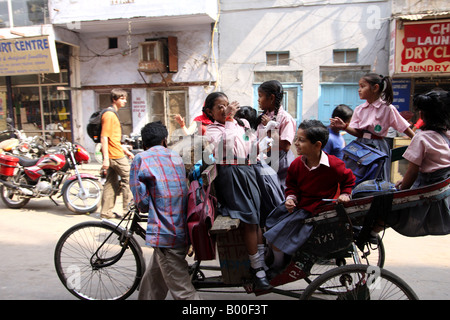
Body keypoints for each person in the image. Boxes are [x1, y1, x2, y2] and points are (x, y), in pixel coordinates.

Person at [204, 92, 275, 291]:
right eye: (219, 107)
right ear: (210, 112)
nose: (225, 109)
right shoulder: (212, 129)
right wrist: (227, 120)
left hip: (250, 170)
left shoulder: (241, 123)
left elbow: (249, 145)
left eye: (227, 105)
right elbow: (225, 150)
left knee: (258, 220)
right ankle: (257, 268)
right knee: (250, 220)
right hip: (232, 174)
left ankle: (260, 264)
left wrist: (264, 138)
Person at [264, 120, 355, 272]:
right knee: (270, 227)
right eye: (296, 139)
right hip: (298, 206)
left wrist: (346, 194)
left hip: (318, 212)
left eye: (301, 140)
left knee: (277, 238)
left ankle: (278, 267)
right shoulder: (296, 164)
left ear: (317, 145)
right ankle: (277, 260)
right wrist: (290, 198)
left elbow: (349, 179)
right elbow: (291, 185)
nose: (296, 143)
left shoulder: (334, 165)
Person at [129, 121, 200, 300]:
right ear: (165, 141)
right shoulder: (176, 157)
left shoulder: (141, 158)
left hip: (166, 233)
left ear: (144, 144)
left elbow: (143, 204)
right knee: (154, 279)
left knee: (183, 291)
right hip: (183, 228)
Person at [380, 90, 450, 236]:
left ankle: (373, 232)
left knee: (384, 203)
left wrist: (401, 191)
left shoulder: (421, 138)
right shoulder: (447, 135)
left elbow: (412, 172)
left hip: (428, 187)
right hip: (442, 186)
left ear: (422, 115)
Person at [330, 73, 415, 182]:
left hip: (378, 147)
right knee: (358, 175)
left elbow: (404, 127)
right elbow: (358, 133)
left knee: (377, 175)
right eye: (359, 86)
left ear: (375, 88)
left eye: (362, 86)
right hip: (360, 145)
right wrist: (345, 127)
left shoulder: (387, 108)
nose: (359, 90)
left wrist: (417, 140)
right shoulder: (359, 109)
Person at [256, 80, 297, 189]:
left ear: (272, 98)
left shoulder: (285, 118)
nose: (258, 100)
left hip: (280, 164)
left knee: (279, 193)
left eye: (260, 96)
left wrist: (270, 128)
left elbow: (286, 146)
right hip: (264, 161)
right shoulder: (262, 116)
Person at [100, 89, 134, 219]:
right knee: (129, 179)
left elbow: (113, 138)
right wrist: (106, 159)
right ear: (114, 99)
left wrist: (125, 151)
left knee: (110, 183)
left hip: (116, 153)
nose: (124, 101)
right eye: (122, 98)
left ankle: (106, 212)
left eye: (125, 98)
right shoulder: (109, 115)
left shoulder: (113, 114)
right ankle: (128, 211)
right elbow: (104, 137)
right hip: (114, 155)